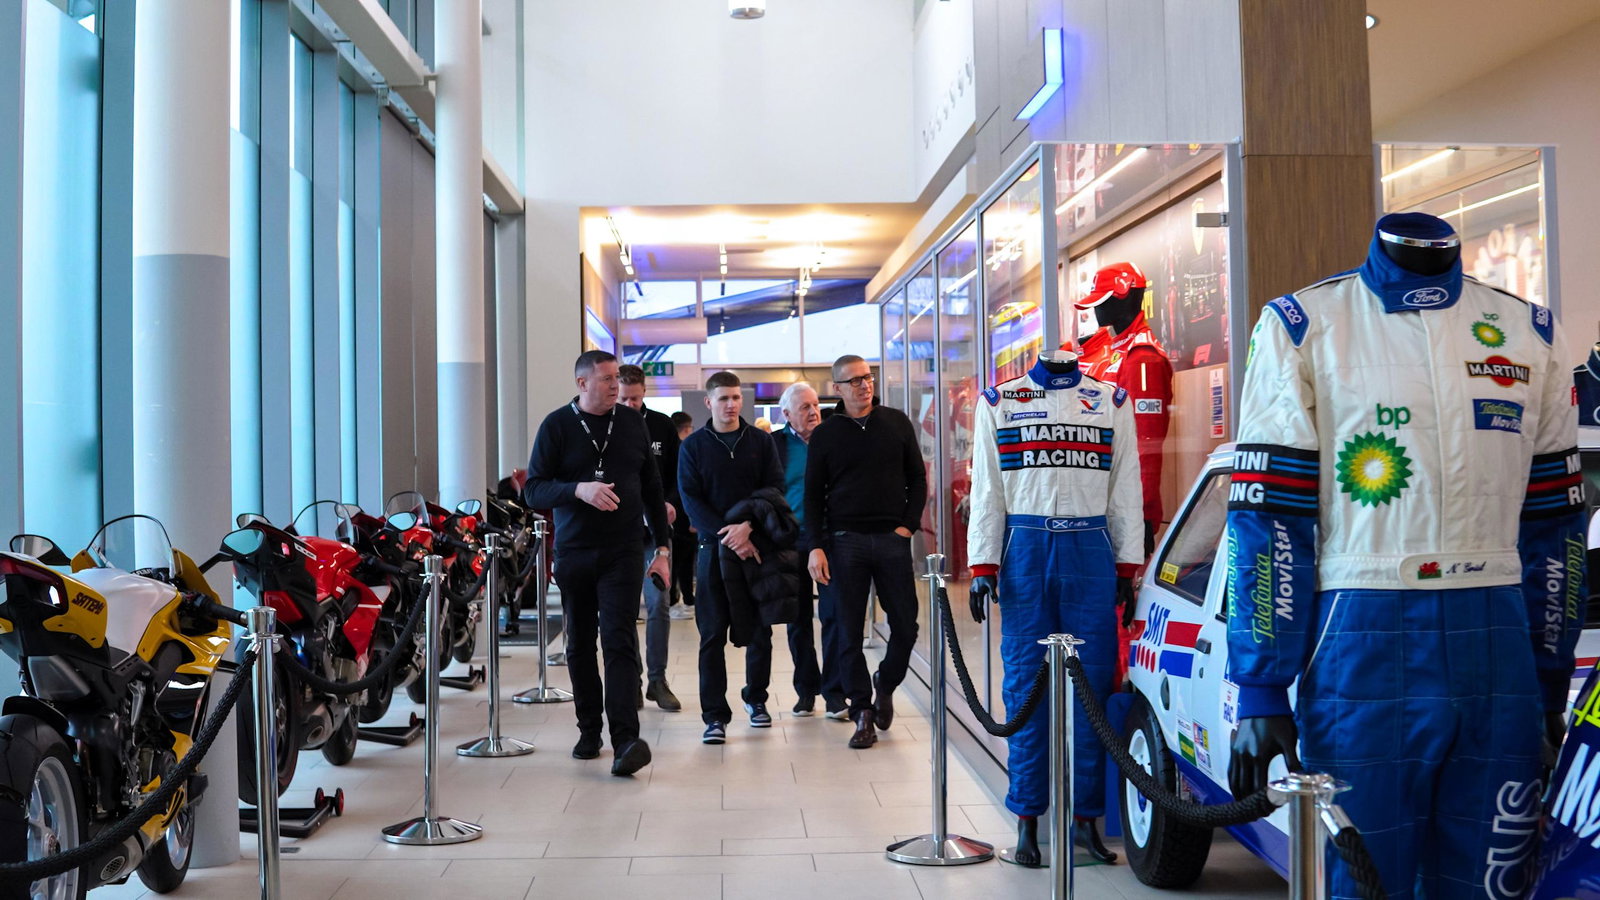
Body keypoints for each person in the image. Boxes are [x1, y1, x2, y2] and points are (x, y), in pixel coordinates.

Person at [1226, 213, 1584, 895]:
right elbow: (1270, 521)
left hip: (1498, 641)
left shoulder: (1529, 332)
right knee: (1365, 877)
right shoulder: (1303, 325)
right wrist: (1262, 681)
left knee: (1490, 879)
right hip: (1362, 634)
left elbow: (1555, 526)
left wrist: (1548, 674)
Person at [966, 350, 1142, 866]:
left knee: (1093, 689)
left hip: (1091, 548)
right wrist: (983, 564)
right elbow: (988, 490)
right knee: (1024, 686)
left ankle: (1086, 818)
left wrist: (1129, 564)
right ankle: (1026, 818)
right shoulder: (1000, 400)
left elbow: (1125, 488)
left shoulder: (1112, 401)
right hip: (1025, 548)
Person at [524, 350, 669, 776]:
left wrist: (662, 549)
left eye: (616, 379)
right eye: (606, 379)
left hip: (624, 550)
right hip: (575, 552)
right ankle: (590, 730)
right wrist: (578, 491)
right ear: (582, 383)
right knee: (580, 643)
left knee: (620, 639)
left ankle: (626, 738)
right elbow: (533, 490)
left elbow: (652, 485)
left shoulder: (632, 422)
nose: (615, 386)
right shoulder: (556, 426)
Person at [805, 355, 927, 749]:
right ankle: (862, 712)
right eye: (854, 380)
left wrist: (906, 527)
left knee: (906, 625)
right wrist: (817, 547)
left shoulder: (895, 422)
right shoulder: (826, 434)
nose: (863, 385)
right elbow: (812, 497)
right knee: (846, 630)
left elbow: (918, 479)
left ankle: (885, 682)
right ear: (837, 389)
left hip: (891, 539)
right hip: (844, 542)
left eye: (867, 377)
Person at [678, 371, 787, 744]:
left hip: (755, 547)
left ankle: (756, 699)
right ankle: (714, 716)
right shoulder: (693, 447)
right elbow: (691, 500)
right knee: (712, 635)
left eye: (736, 398)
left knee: (760, 630)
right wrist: (729, 534)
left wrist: (748, 528)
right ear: (709, 402)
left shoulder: (760, 441)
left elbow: (774, 488)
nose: (731, 405)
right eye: (723, 398)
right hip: (713, 550)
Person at [617, 364, 683, 712]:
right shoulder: (608, 426)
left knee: (659, 605)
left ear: (644, 394)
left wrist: (670, 504)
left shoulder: (661, 425)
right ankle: (633, 679)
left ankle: (657, 679)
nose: (629, 405)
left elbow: (675, 475)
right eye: (624, 399)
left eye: (635, 399)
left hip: (656, 532)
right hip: (621, 533)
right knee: (624, 609)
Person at [772, 382, 828, 717]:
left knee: (836, 617)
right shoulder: (774, 445)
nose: (813, 412)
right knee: (798, 619)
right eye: (804, 407)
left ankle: (835, 692)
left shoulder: (832, 440)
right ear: (787, 414)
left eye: (815, 405)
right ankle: (807, 689)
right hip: (790, 540)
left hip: (827, 539)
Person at [670, 411, 698, 619]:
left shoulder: (674, 451)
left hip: (674, 514)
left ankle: (683, 599)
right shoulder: (684, 451)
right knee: (682, 561)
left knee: (677, 560)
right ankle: (681, 599)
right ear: (687, 428)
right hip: (682, 516)